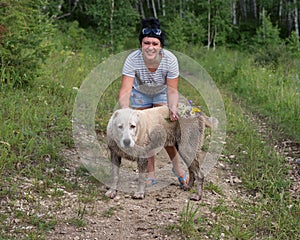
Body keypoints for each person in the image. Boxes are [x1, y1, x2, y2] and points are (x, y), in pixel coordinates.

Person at [118, 17, 188, 187]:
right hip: (140, 94)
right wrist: (125, 111)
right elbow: (126, 89)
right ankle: (150, 173)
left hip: (161, 94)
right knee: (145, 135)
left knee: (164, 134)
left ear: (160, 46)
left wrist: (172, 107)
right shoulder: (132, 59)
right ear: (141, 45)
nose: (150, 47)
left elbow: (172, 89)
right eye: (146, 43)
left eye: (155, 44)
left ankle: (177, 169)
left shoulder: (170, 60)